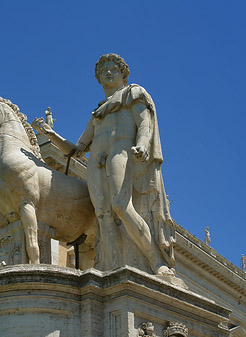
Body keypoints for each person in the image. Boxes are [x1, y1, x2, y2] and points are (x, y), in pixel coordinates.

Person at [33, 53, 175, 275]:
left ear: (123, 74)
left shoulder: (132, 95)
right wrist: (51, 135)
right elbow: (77, 149)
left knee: (120, 204)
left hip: (122, 151)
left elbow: (145, 123)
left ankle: (156, 260)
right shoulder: (97, 114)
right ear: (98, 78)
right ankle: (110, 264)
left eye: (113, 69)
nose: (108, 72)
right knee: (103, 216)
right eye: (103, 71)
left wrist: (143, 144)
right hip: (97, 162)